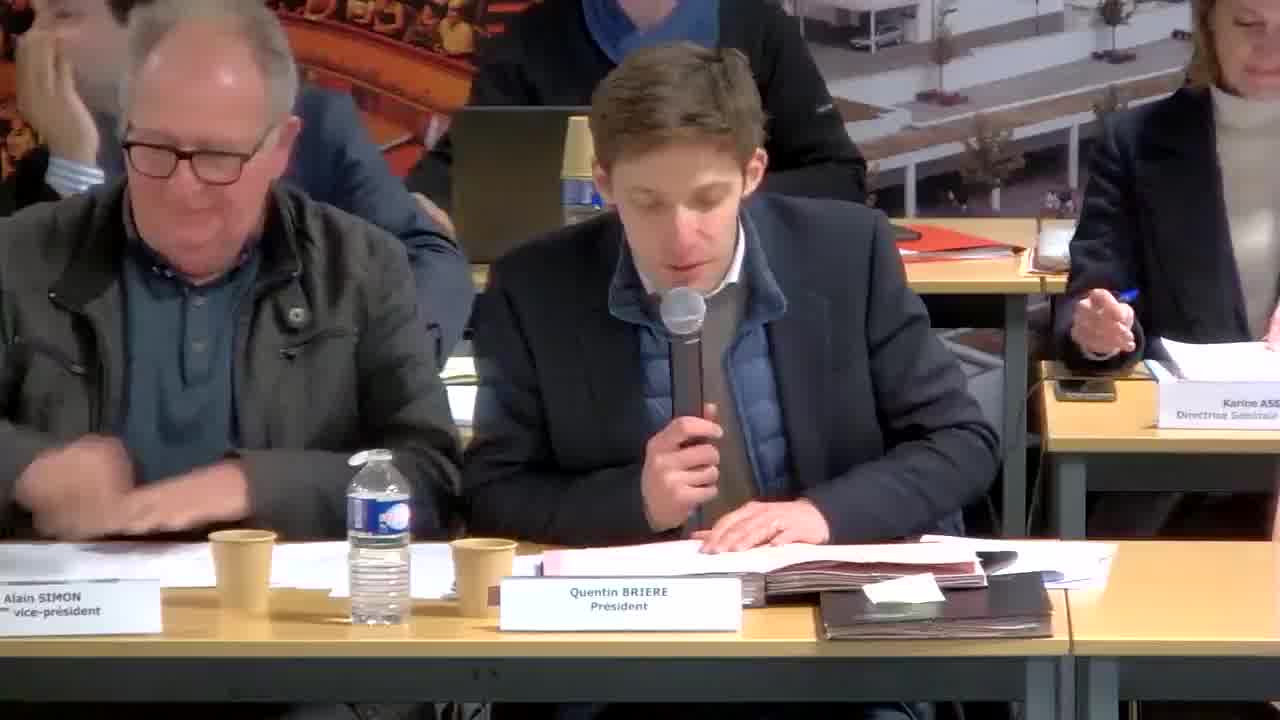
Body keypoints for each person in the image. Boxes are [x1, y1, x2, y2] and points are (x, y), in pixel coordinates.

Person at [463, 42, 995, 719]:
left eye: (706, 200)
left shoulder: (847, 252)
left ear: (752, 173)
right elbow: (492, 490)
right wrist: (636, 501)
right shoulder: (532, 286)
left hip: (827, 645)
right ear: (604, 183)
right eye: (648, 203)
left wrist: (819, 515)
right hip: (625, 656)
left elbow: (961, 441)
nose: (680, 236)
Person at [0, 2, 456, 718]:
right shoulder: (21, 254)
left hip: (303, 673)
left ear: (281, 147)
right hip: (72, 667)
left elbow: (428, 478)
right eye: (155, 149)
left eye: (218, 158)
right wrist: (26, 467)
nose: (183, 188)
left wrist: (248, 486)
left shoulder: (363, 268)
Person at [3, 0, 473, 363]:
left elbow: (431, 258)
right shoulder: (44, 174)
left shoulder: (316, 127)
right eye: (32, 17)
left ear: (142, 24)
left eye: (63, 15)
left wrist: (366, 369)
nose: (33, 40)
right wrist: (73, 162)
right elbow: (49, 347)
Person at [1056, 0, 1280, 538]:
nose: (1270, 46)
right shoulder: (1136, 141)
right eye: (1248, 23)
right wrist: (1098, 330)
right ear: (1208, 26)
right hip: (1183, 466)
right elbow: (1099, 285)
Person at [406, 0, 867, 231]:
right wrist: (426, 208)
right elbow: (457, 171)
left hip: (738, 287)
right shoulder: (533, 38)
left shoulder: (759, 27)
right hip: (577, 290)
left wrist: (717, 203)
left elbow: (837, 176)